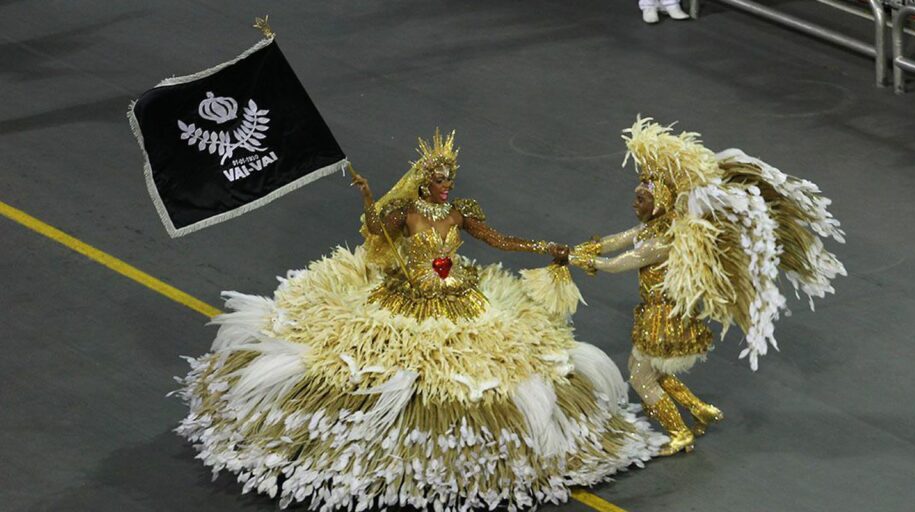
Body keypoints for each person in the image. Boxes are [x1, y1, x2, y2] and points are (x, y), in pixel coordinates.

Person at [174, 129, 665, 512]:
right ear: (425, 179)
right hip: (404, 300)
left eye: (451, 176)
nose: (447, 182)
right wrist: (368, 196)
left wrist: (545, 248)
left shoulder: (459, 215)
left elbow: (498, 240)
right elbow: (373, 231)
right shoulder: (407, 212)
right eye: (440, 176)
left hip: (458, 298)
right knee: (389, 368)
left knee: (469, 375)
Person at [570, 117, 845, 455]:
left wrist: (585, 261)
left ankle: (679, 432)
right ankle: (699, 409)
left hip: (666, 320)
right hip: (658, 314)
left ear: (657, 203)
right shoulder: (654, 228)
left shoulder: (662, 240)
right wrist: (589, 247)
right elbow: (620, 240)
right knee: (646, 370)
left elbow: (619, 263)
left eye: (641, 199)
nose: (635, 204)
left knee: (640, 377)